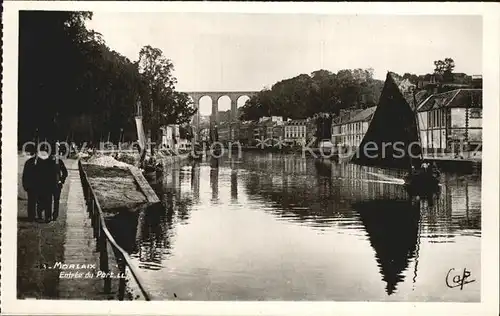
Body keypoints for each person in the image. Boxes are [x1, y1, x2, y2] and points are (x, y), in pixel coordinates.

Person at [51, 142, 68, 221]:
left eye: (57, 148)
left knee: (56, 200)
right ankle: (48, 215)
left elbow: (65, 172)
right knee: (48, 200)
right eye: (54, 148)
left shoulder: (59, 161)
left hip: (57, 184)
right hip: (48, 184)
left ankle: (55, 215)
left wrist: (61, 181)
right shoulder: (47, 160)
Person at [22, 145, 39, 221]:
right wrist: (25, 185)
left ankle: (37, 215)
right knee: (31, 201)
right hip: (31, 185)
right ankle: (31, 216)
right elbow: (25, 175)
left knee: (38, 201)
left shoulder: (41, 163)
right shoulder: (28, 162)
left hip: (38, 185)